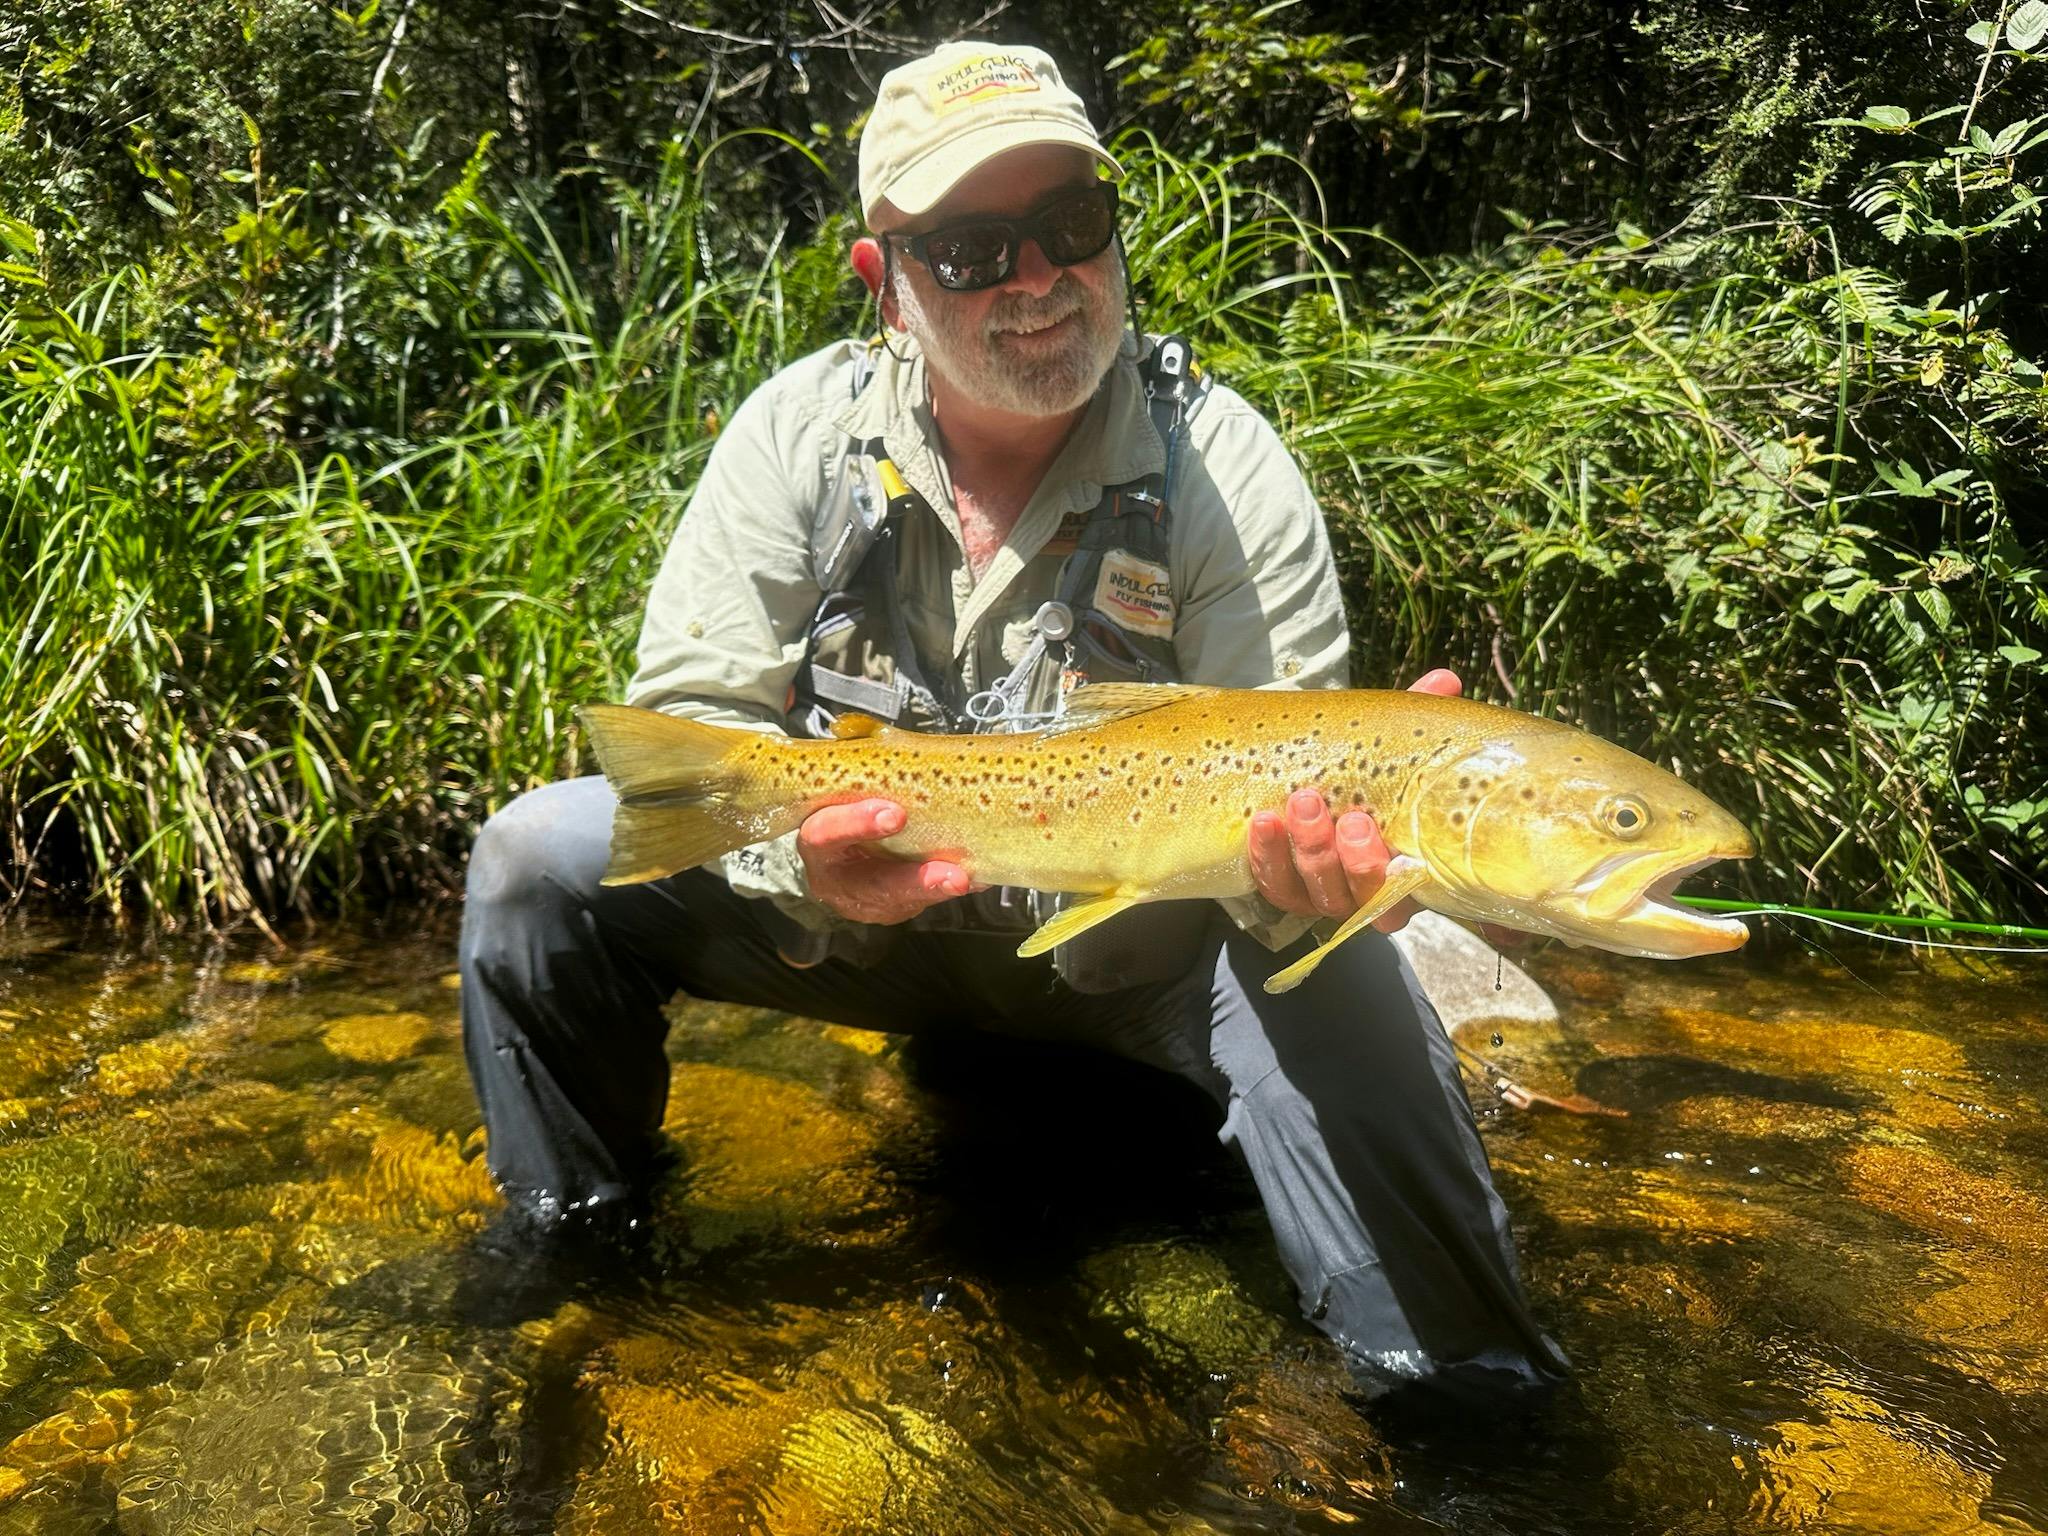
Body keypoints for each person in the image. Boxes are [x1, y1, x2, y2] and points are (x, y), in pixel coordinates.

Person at [460, 41, 1568, 1402]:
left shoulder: (1220, 466)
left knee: (1342, 972)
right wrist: (794, 861)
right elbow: (691, 720)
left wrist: (1338, 880)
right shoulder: (792, 441)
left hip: (1141, 961)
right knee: (535, 860)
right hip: (860, 931)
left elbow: (1291, 775)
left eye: (1070, 228)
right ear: (888, 281)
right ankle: (576, 1274)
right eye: (977, 249)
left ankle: (1464, 1410)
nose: (1040, 281)